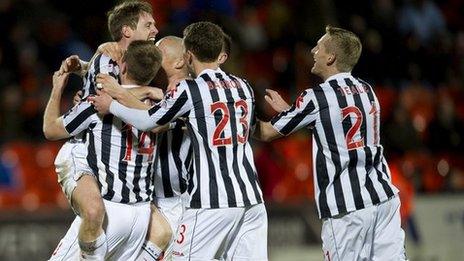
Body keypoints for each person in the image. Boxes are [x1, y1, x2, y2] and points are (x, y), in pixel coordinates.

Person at [90, 21, 268, 261]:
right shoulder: (243, 86)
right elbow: (254, 129)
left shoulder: (190, 90)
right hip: (251, 198)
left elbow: (153, 121)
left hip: (207, 200)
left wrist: (112, 103)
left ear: (187, 56)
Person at [254, 25, 406, 260]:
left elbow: (265, 133)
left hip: (347, 209)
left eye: (319, 46)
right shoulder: (367, 90)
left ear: (331, 57)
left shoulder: (316, 97)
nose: (313, 50)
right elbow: (339, 126)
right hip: (383, 199)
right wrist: (292, 112)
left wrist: (232, 117)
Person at [43, 1, 160, 260]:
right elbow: (106, 95)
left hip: (119, 174)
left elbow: (125, 90)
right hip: (82, 149)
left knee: (161, 231)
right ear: (127, 31)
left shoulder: (132, 60)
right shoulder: (106, 62)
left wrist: (86, 67)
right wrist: (148, 92)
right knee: (95, 211)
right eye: (148, 24)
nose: (155, 30)